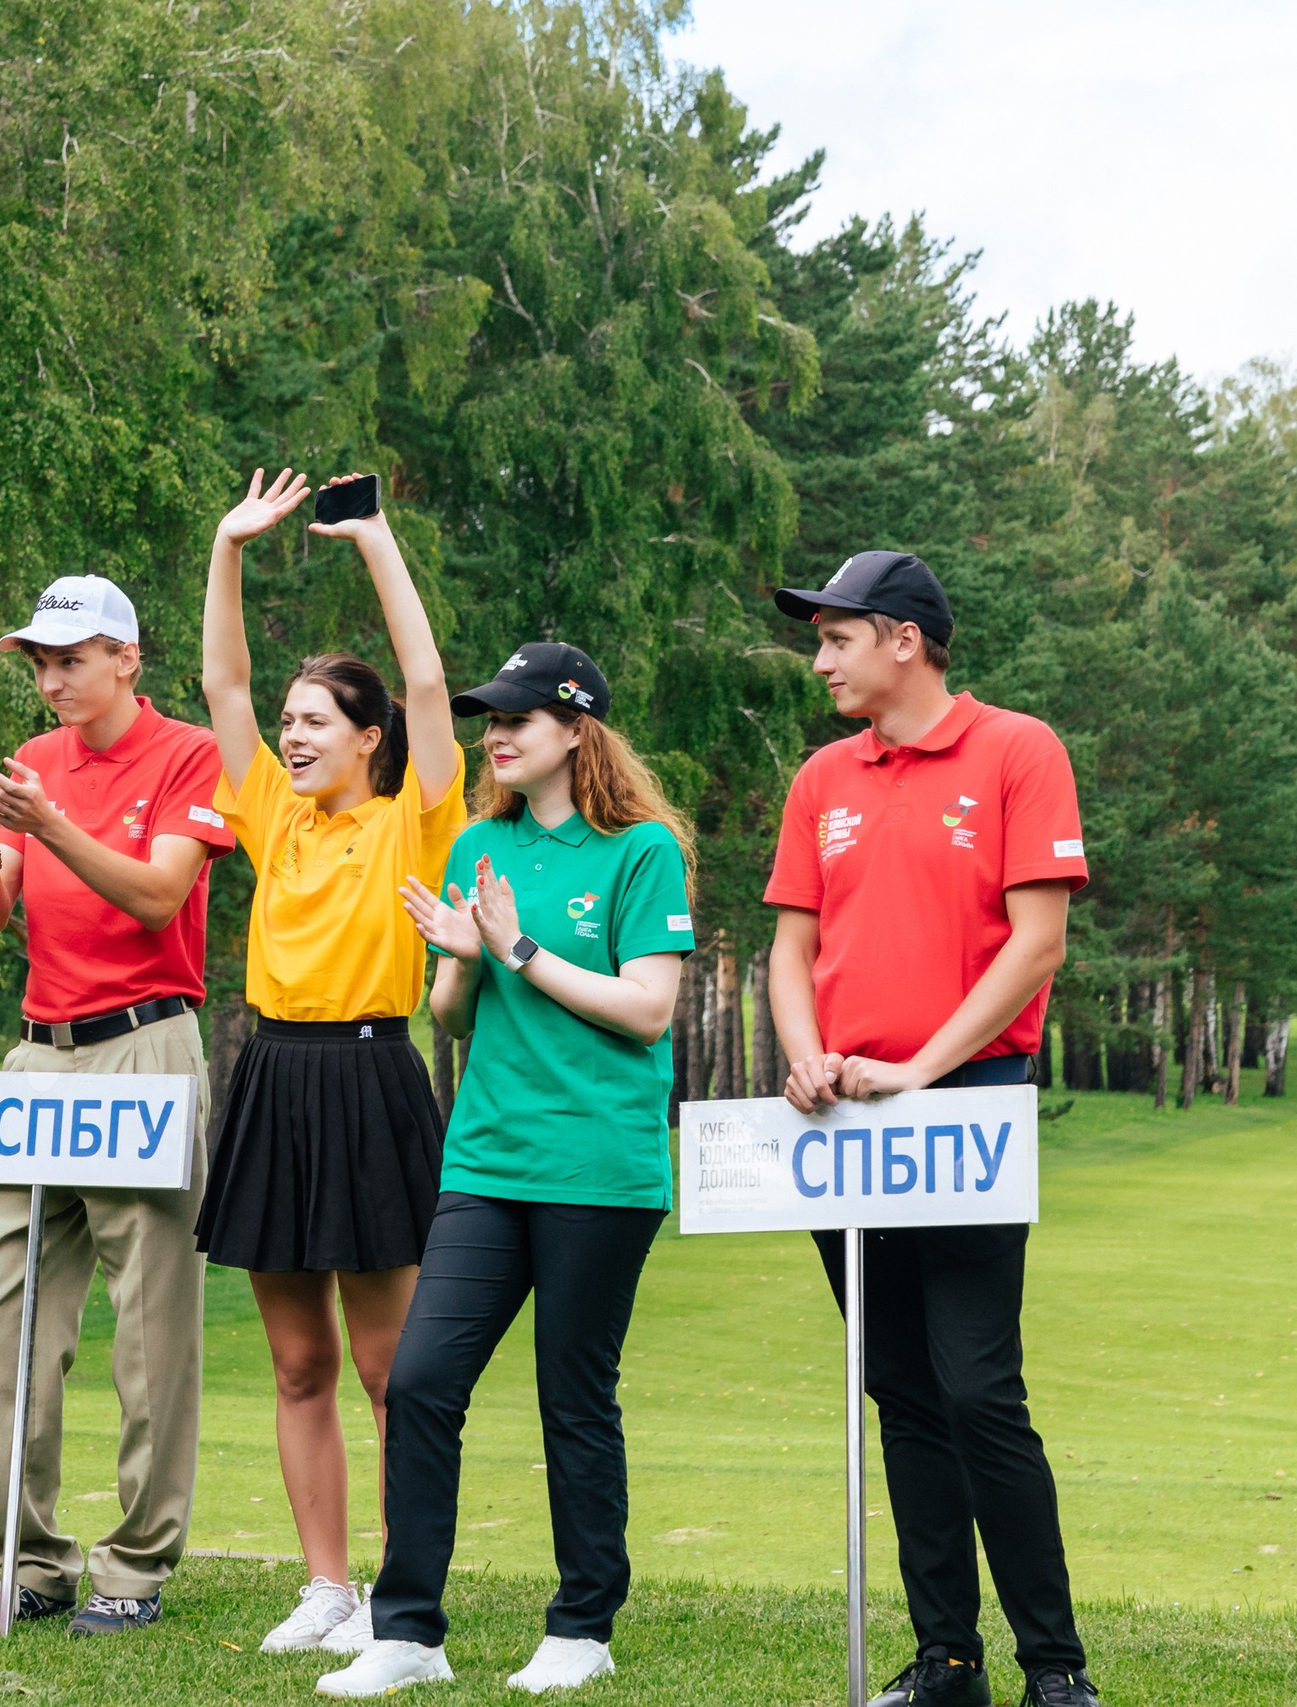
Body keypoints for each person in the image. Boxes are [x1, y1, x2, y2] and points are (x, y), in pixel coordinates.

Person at [319, 642, 694, 1699]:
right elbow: (449, 1014)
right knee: (423, 1380)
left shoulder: (640, 851)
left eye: (520, 716)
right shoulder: (479, 843)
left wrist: (518, 950)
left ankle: (582, 1627)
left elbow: (647, 1008)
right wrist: (463, 953)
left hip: (597, 1167)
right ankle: (407, 1631)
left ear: (576, 728)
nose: (498, 731)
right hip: (486, 1158)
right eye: (490, 715)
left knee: (573, 1396)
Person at [763, 552, 1100, 1707]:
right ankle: (946, 1660)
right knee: (900, 1390)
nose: (819, 661)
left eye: (835, 639)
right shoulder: (821, 779)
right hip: (841, 1116)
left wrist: (919, 1069)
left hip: (961, 1109)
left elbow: (1036, 944)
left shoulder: (1017, 750)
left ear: (902, 638)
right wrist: (805, 1052)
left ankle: (1053, 1668)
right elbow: (790, 948)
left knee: (974, 1387)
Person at [0, 573, 236, 1637]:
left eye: (71, 658)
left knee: (148, 1328)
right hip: (37, 1056)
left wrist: (45, 825)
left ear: (126, 661)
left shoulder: (187, 753)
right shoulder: (33, 766)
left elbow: (158, 897)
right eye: (41, 662)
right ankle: (24, 1561)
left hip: (143, 1047)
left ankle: (135, 1570)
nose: (52, 679)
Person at [194, 470, 464, 1655]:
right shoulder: (270, 811)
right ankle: (327, 1588)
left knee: (384, 1366)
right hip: (272, 1077)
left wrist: (374, 542)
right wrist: (226, 547)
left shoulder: (416, 812)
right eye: (289, 721)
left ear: (367, 741)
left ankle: (402, 1600)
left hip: (371, 1077)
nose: (290, 736)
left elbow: (425, 681)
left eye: (315, 723)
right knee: (297, 1361)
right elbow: (222, 682)